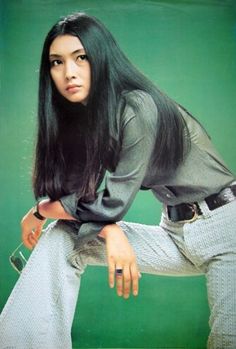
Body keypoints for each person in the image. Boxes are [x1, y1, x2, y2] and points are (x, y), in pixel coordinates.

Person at [0, 12, 235, 349]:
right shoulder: (87, 119)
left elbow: (111, 204)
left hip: (225, 229)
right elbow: (81, 200)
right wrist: (103, 229)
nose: (69, 72)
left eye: (81, 57)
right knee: (64, 235)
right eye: (57, 62)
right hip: (174, 233)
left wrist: (46, 212)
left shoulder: (138, 107)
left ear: (102, 58)